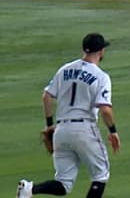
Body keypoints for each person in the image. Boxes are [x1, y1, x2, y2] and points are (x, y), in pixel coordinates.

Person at [16, 33, 120, 198]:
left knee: (64, 183)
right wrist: (113, 131)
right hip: (84, 130)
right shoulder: (101, 76)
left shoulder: (64, 69)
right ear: (101, 52)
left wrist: (49, 124)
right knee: (100, 175)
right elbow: (105, 110)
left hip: (61, 130)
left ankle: (30, 189)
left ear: (83, 49)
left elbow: (47, 96)